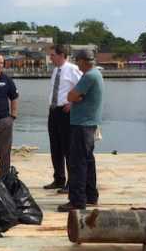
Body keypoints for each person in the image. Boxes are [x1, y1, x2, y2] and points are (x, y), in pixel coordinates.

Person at [57, 50, 104, 212]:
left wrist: (74, 97)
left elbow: (71, 96)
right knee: (88, 161)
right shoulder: (96, 74)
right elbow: (76, 96)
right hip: (90, 124)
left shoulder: (88, 76)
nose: (77, 65)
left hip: (82, 125)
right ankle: (91, 196)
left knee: (77, 163)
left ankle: (77, 201)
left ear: (84, 61)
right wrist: (76, 97)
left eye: (78, 61)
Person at [43, 45, 82, 193]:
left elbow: (83, 89)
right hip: (53, 111)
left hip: (65, 112)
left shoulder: (72, 69)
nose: (50, 58)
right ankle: (59, 179)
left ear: (61, 55)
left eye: (52, 55)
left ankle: (72, 182)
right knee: (55, 147)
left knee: (68, 148)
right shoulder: (55, 71)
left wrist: (73, 103)